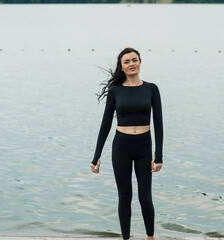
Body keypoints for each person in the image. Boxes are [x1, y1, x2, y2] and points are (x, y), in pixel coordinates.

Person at [90, 47, 163, 240]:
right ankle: (126, 238)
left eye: (134, 60)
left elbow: (159, 124)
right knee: (125, 196)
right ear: (121, 67)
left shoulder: (151, 89)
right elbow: (105, 124)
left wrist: (160, 155)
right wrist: (96, 156)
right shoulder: (115, 91)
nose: (131, 64)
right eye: (127, 62)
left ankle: (150, 237)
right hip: (121, 147)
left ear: (140, 62)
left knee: (145, 197)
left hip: (144, 148)